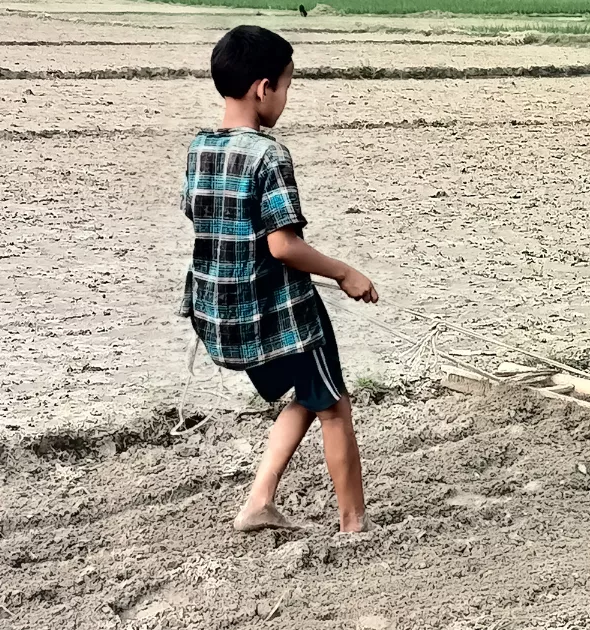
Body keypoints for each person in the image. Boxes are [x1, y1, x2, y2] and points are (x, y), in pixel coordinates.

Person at [178, 25, 378, 534]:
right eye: (287, 86)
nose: (286, 98)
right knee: (334, 405)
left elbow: (202, 218)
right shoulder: (269, 155)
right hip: (277, 313)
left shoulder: (199, 148)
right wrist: (346, 273)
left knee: (312, 392)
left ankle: (259, 501)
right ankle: (353, 524)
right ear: (263, 88)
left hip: (218, 311)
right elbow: (283, 246)